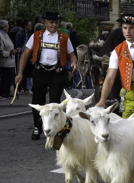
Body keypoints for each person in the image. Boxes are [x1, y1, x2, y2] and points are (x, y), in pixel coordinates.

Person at [15, 11, 77, 140]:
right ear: (45, 23)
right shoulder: (36, 36)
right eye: (51, 22)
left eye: (56, 23)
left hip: (57, 73)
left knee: (54, 104)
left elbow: (72, 55)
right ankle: (38, 127)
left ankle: (53, 130)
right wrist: (20, 73)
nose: (54, 25)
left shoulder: (64, 37)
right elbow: (25, 55)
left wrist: (73, 63)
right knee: (38, 101)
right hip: (40, 72)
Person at [0, 20, 21, 100]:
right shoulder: (1, 35)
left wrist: (14, 50)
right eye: (7, 25)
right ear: (4, 27)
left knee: (9, 78)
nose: (8, 27)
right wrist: (10, 52)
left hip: (10, 61)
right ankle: (3, 93)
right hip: (4, 61)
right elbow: (1, 51)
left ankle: (7, 92)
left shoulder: (6, 34)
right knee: (5, 78)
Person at [15, 19, 33, 94]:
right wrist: (18, 48)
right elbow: (17, 43)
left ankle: (25, 88)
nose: (31, 26)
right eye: (29, 25)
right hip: (21, 54)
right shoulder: (20, 33)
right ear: (25, 26)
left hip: (28, 54)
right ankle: (19, 87)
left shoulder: (29, 33)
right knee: (20, 70)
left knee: (27, 71)